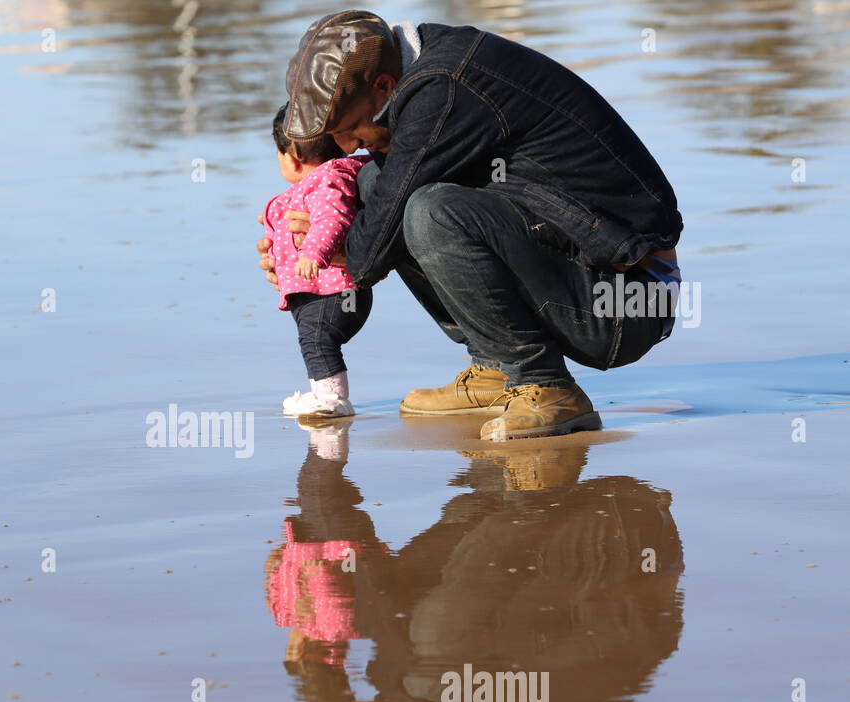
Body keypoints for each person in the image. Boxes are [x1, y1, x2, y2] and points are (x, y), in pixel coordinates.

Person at [257, 12, 684, 440]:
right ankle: (496, 367)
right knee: (375, 185)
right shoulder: (419, 68)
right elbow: (375, 205)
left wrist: (316, 249)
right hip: (593, 273)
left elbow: (367, 255)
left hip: (631, 300)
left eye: (351, 129)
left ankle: (545, 384)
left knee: (427, 210)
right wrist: (313, 237)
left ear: (384, 86)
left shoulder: (440, 87)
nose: (347, 146)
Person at [263, 104, 373, 418]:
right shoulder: (315, 184)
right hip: (320, 290)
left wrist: (314, 253)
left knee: (317, 339)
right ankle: (321, 393)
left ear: (291, 157)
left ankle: (333, 399)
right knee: (313, 340)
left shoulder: (326, 181)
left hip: (335, 290)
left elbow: (332, 219)